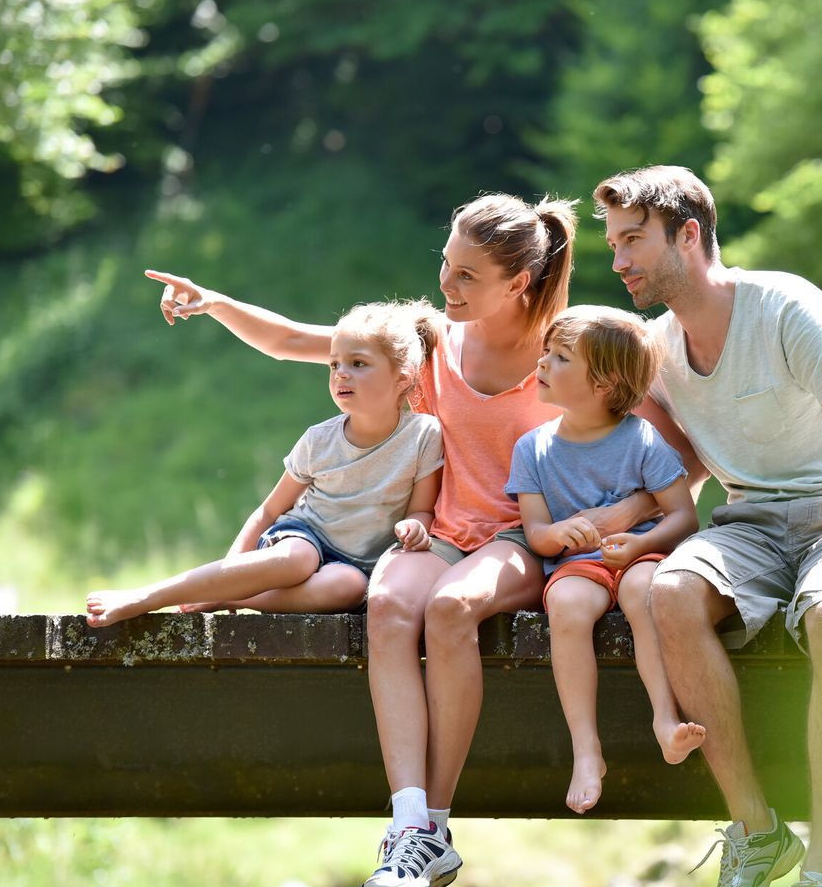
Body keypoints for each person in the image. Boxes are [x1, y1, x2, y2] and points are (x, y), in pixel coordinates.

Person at [144, 193, 668, 887]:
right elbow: (298, 341)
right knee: (389, 606)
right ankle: (408, 826)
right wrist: (214, 302)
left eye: (466, 277)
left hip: (520, 538)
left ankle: (438, 828)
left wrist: (615, 519)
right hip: (439, 532)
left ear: (517, 282)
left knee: (451, 610)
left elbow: (665, 449)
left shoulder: (567, 349)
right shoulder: (429, 340)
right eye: (446, 267)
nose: (447, 287)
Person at [594, 165, 822, 887]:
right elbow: (675, 473)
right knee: (673, 592)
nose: (619, 261)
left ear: (687, 235)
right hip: (746, 522)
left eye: (633, 241)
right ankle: (757, 830)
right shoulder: (658, 352)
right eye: (614, 244)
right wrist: (606, 528)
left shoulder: (787, 307)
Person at [84, 300, 443, 627]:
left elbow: (422, 510)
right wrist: (231, 568)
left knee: (348, 588)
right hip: (304, 538)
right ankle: (148, 597)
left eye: (358, 364)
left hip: (357, 566)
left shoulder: (423, 435)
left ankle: (236, 598)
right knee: (298, 559)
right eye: (334, 364)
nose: (340, 374)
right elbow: (268, 511)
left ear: (403, 376)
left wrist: (415, 528)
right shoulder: (319, 440)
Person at [506, 304, 705, 815]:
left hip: (642, 555)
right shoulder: (532, 449)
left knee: (645, 591)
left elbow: (683, 516)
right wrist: (559, 533)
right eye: (546, 353)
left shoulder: (641, 439)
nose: (543, 364)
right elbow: (536, 535)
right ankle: (586, 749)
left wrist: (641, 545)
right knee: (568, 605)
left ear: (604, 385)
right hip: (580, 566)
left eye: (561, 357)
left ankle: (665, 718)